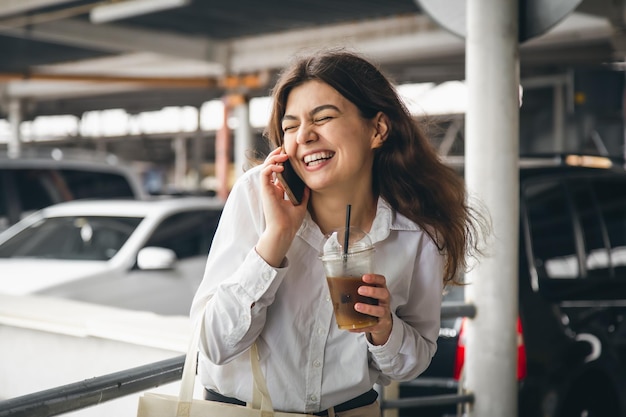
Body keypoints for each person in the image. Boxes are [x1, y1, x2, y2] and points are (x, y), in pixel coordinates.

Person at [190, 48, 487, 416]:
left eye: (323, 117)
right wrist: (276, 239)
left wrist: (384, 328)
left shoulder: (414, 231)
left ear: (377, 129)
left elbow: (413, 361)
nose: (305, 136)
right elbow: (213, 344)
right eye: (291, 126)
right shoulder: (257, 195)